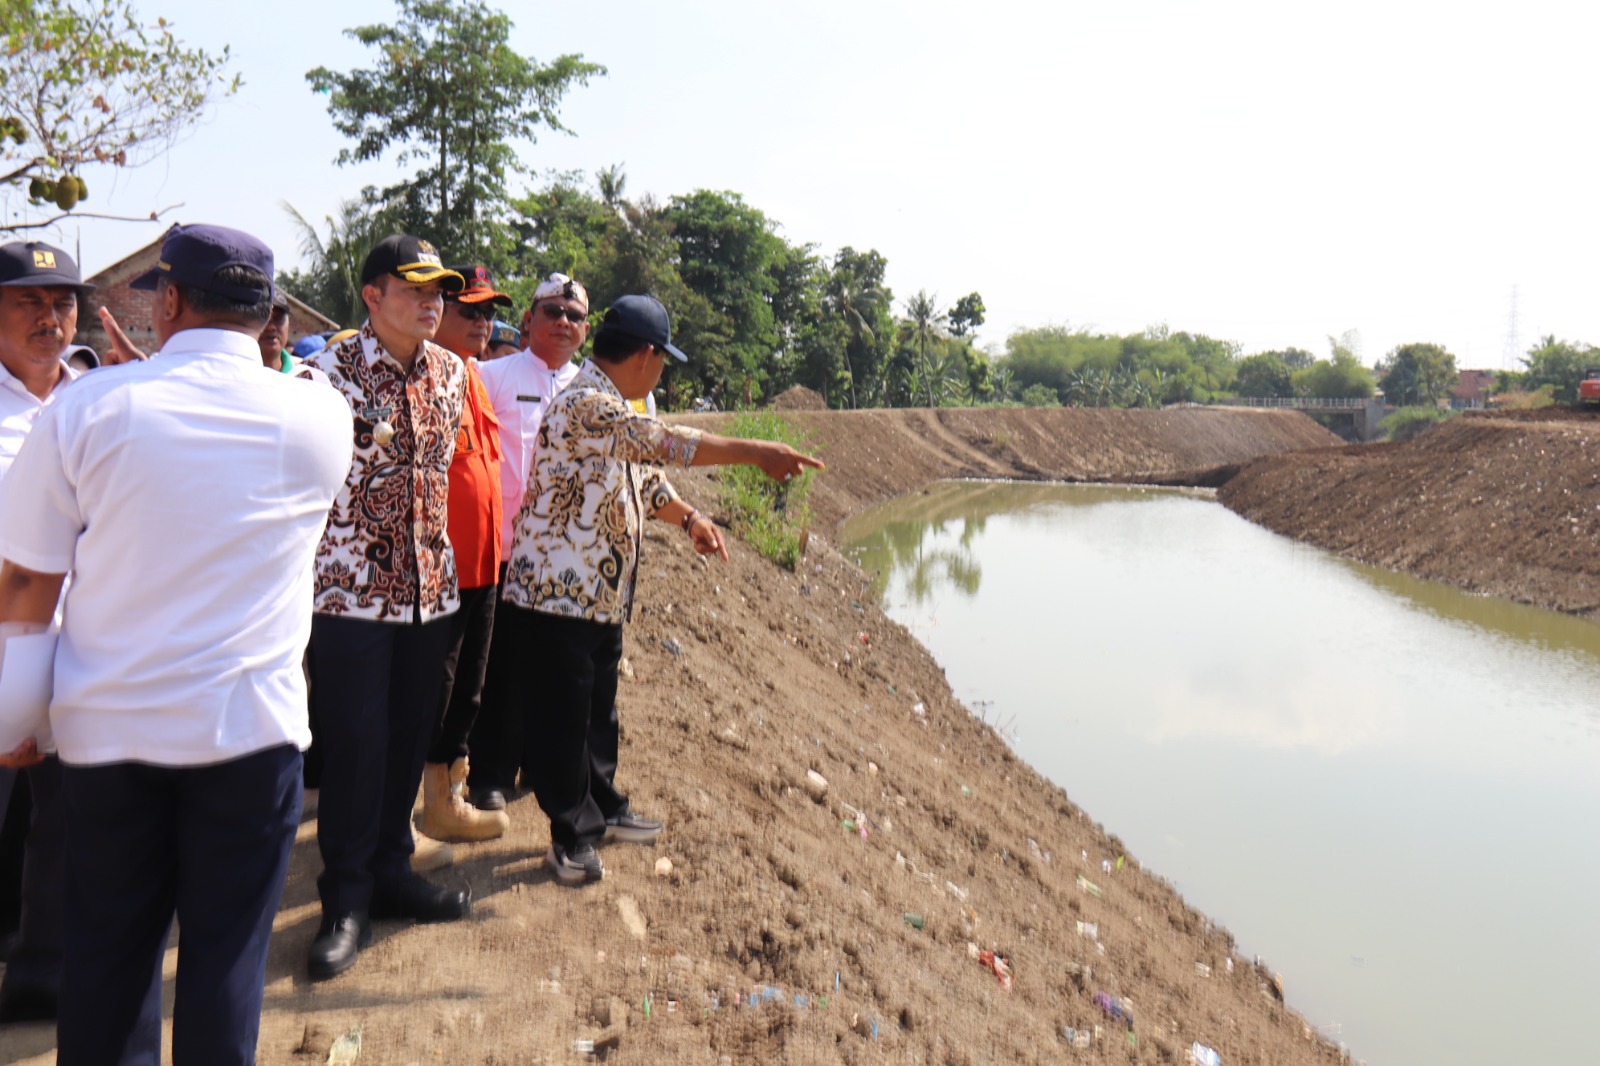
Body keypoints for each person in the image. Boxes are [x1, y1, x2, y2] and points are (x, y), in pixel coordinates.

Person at [0, 223, 352, 1062]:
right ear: (268, 313)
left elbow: (28, 585)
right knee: (226, 965)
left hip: (109, 736)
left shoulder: (86, 409)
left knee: (111, 964)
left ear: (169, 300)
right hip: (250, 733)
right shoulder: (321, 415)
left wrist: (18, 714)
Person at [500, 294, 824, 884]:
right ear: (647, 356)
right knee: (564, 719)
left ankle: (604, 808)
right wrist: (756, 453)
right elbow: (665, 442)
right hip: (555, 597)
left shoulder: (613, 408)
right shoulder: (586, 404)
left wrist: (691, 517)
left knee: (599, 710)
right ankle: (569, 835)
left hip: (598, 594)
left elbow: (646, 477)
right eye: (663, 359)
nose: (662, 369)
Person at [301, 234, 472, 980]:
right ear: (372, 296)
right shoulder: (325, 374)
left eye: (441, 290)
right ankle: (345, 898)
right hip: (348, 598)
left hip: (430, 595)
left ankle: (393, 871)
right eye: (415, 288)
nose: (433, 301)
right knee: (353, 749)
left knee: (407, 739)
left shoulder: (453, 374)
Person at [0, 240, 92, 1024]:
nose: (49, 317)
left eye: (62, 302)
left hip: (72, 651)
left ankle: (39, 972)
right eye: (28, 300)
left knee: (62, 826)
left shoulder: (95, 403)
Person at [468, 272, 590, 809]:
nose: (563, 321)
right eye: (552, 311)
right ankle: (490, 773)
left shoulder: (593, 389)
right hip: (505, 550)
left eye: (575, 315)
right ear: (527, 320)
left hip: (567, 558)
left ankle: (540, 767)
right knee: (503, 668)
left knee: (556, 671)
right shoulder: (490, 375)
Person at [416, 265, 512, 843]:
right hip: (444, 566)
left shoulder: (472, 376)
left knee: (467, 686)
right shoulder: (426, 376)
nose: (483, 322)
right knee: (433, 688)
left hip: (484, 563)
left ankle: (445, 798)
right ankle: (413, 808)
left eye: (488, 312)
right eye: (470, 311)